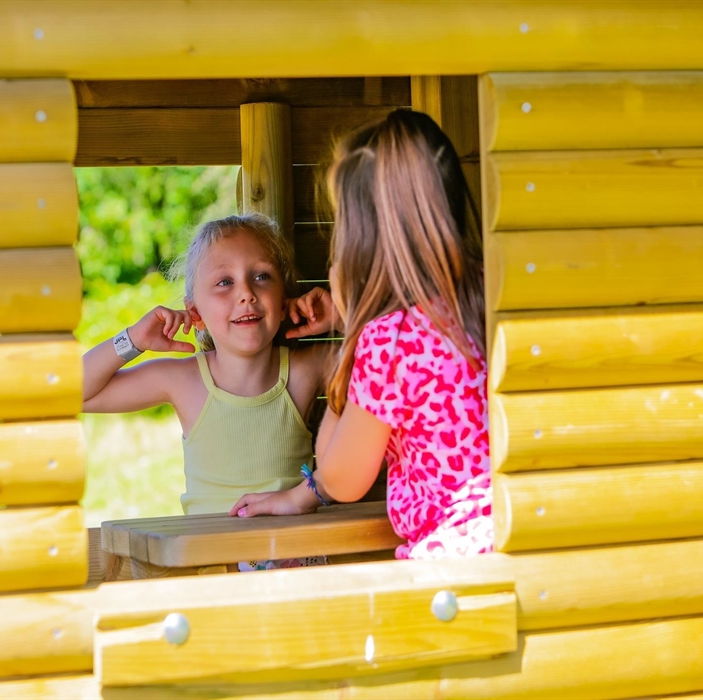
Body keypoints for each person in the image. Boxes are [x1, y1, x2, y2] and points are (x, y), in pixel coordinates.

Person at [230, 110, 493, 560]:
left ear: (362, 237)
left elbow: (341, 479)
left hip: (455, 572)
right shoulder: (490, 297)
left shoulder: (387, 342)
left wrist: (354, 335)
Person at [81, 213, 332, 525]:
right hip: (212, 563)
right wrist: (133, 339)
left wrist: (339, 317)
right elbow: (75, 392)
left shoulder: (305, 370)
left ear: (282, 302)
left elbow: (391, 356)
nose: (246, 293)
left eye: (261, 277)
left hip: (294, 558)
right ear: (195, 314)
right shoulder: (183, 381)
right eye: (225, 282)